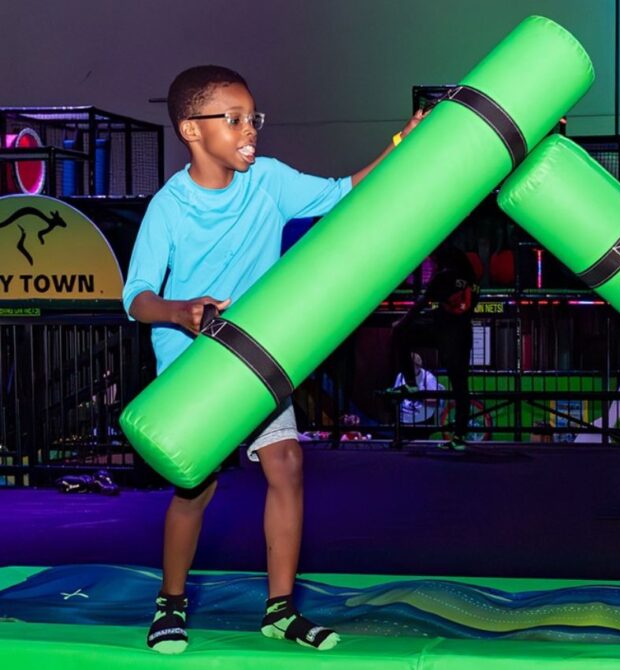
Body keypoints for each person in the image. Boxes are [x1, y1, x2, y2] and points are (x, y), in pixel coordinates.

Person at [122, 65, 421, 654]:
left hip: (258, 357)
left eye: (251, 117)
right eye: (231, 120)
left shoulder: (270, 182)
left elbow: (344, 192)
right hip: (192, 364)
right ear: (191, 129)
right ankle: (170, 605)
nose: (248, 130)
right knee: (195, 489)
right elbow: (136, 298)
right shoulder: (170, 207)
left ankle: (281, 610)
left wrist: (402, 144)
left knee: (285, 462)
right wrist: (183, 311)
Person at [390, 241, 480, 450]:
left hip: (441, 330)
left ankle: (411, 382)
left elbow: (421, 303)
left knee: (402, 334)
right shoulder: (473, 282)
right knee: (461, 387)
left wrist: (401, 324)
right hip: (462, 335)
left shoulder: (444, 277)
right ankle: (459, 438)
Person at [393, 352, 445, 425]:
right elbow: (395, 395)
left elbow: (436, 402)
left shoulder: (428, 378)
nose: (407, 368)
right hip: (403, 421)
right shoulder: (401, 375)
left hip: (422, 422)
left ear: (418, 366)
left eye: (410, 366)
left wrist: (418, 397)